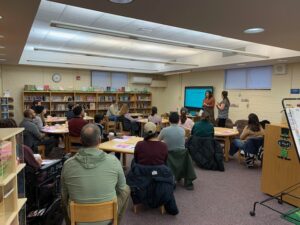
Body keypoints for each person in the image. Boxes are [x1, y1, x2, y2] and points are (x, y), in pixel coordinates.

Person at [61, 124, 130, 225]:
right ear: (100, 140)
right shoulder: (114, 161)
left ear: (80, 140)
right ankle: (115, 222)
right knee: (126, 189)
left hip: (78, 217)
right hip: (107, 216)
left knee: (64, 198)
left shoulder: (68, 164)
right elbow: (122, 188)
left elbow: (64, 194)